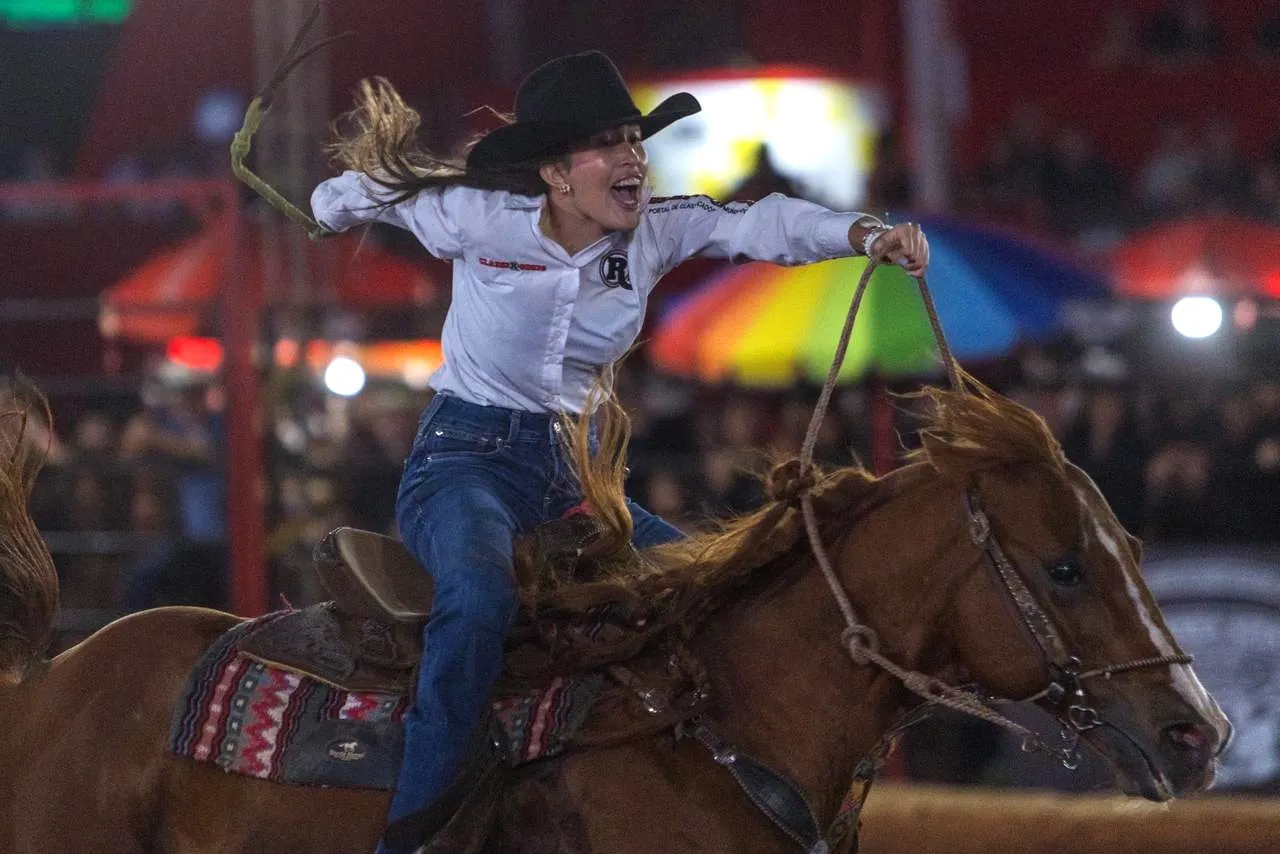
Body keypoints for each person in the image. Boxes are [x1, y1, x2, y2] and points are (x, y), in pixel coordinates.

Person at [309, 50, 930, 854]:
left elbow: (758, 224)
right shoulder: (475, 217)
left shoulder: (658, 230)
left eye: (634, 140)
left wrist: (863, 232)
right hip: (463, 463)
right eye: (608, 144)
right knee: (477, 597)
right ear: (556, 175)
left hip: (577, 481)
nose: (633, 157)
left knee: (714, 589)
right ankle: (412, 834)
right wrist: (326, 206)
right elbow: (373, 194)